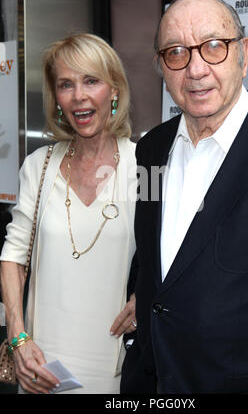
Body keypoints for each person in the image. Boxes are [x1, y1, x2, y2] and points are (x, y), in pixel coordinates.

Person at [121, 0, 248, 394]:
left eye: (214, 47)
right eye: (176, 53)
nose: (196, 69)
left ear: (244, 54)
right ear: (161, 67)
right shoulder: (151, 148)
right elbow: (154, 256)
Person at [0, 33, 137, 394]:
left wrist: (151, 295)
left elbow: (177, 253)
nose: (78, 96)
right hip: (39, 363)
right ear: (57, 98)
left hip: (112, 366)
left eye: (91, 80)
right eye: (66, 84)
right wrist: (18, 339)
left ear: (114, 90)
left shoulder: (143, 166)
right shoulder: (38, 166)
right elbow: (13, 256)